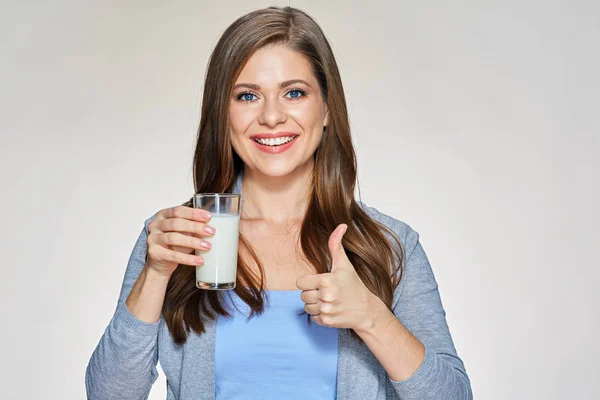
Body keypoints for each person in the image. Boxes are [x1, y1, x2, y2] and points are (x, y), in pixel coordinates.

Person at [86, 6, 472, 400]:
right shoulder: (175, 237)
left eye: (294, 93)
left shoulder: (388, 246)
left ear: (326, 110)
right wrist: (155, 273)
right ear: (224, 114)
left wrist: (372, 317)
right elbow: (109, 394)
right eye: (248, 96)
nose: (271, 116)